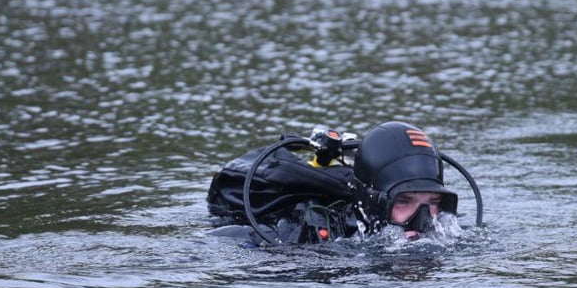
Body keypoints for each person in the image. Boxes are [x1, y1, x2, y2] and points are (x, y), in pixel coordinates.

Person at [206, 121, 481, 245]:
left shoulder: (448, 236)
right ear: (373, 201)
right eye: (405, 201)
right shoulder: (307, 231)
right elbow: (225, 240)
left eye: (433, 203)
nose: (424, 220)